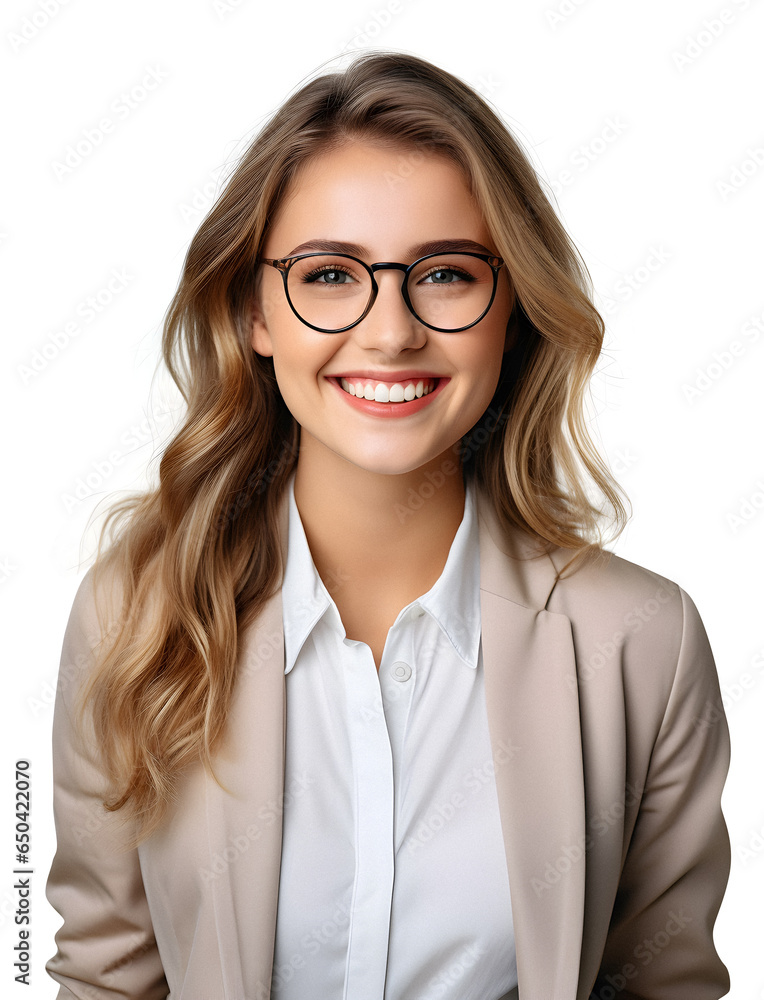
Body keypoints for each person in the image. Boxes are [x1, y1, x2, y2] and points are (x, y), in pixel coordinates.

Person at [45, 51, 731, 1000]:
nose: (391, 330)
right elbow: (104, 979)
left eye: (445, 274)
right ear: (254, 310)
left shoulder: (641, 644)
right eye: (330, 274)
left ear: (514, 310)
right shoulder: (134, 615)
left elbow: (667, 984)